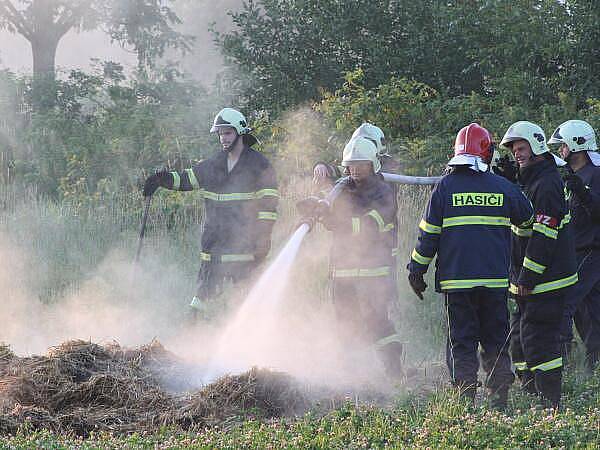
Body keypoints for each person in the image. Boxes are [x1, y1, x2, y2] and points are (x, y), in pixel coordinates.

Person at [406, 123, 533, 409]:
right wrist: (513, 185)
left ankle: (464, 403)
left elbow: (428, 235)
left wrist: (416, 270)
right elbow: (527, 218)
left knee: (461, 342)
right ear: (487, 153)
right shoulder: (502, 187)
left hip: (457, 282)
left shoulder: (445, 187)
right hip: (494, 282)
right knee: (495, 340)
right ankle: (499, 401)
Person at [143, 108, 279, 316]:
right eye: (220, 133)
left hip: (244, 250)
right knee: (200, 302)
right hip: (214, 248)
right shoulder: (214, 164)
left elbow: (268, 208)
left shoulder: (259, 165)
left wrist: (263, 239)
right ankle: (193, 339)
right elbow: (187, 178)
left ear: (240, 132)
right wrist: (161, 180)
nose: (223, 138)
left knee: (245, 304)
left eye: (227, 133)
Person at [298, 136, 404, 379]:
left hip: (373, 271)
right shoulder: (342, 188)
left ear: (372, 164)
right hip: (342, 270)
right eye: (351, 165)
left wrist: (335, 221)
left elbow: (371, 225)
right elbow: (331, 211)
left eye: (360, 164)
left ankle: (394, 372)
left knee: (378, 323)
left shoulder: (384, 192)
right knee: (345, 323)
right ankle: (352, 376)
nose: (355, 169)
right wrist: (317, 210)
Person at [500, 121, 577, 408]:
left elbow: (543, 238)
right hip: (532, 280)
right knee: (520, 339)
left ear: (537, 147)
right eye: (514, 149)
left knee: (539, 340)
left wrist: (526, 279)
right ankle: (531, 392)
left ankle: (550, 402)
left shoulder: (546, 184)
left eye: (521, 148)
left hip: (546, 281)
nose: (517, 154)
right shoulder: (532, 179)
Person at [549, 120, 600, 369]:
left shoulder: (596, 174)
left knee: (563, 303)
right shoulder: (575, 176)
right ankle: (594, 365)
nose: (561, 151)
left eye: (563, 146)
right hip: (577, 250)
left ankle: (561, 366)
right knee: (589, 313)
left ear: (575, 145)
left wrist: (584, 193)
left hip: (591, 250)